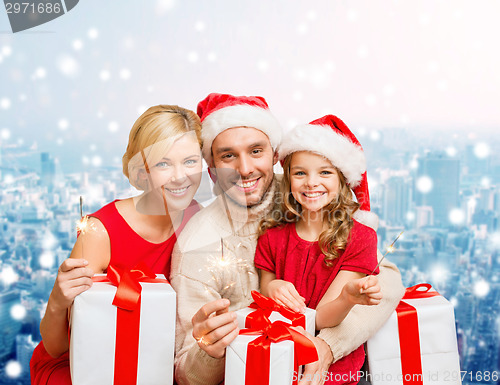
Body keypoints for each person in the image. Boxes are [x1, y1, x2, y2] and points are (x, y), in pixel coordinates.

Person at [170, 93, 406, 385]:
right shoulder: (198, 245)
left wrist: (328, 345)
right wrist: (211, 351)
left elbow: (387, 278)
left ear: (274, 154)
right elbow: (186, 373)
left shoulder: (308, 192)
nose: (245, 169)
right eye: (228, 155)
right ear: (212, 168)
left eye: (256, 151)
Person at [30, 104, 203, 385]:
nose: (180, 176)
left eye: (190, 161)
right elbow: (56, 347)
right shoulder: (100, 232)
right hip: (85, 362)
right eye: (163, 163)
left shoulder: (198, 219)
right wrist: (57, 301)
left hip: (151, 359)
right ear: (142, 170)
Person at [256, 115, 382, 385]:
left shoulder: (361, 239)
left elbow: (323, 319)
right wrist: (273, 286)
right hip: (277, 364)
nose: (311, 182)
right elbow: (263, 293)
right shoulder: (271, 237)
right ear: (288, 179)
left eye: (325, 172)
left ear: (342, 180)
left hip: (333, 373)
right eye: (300, 173)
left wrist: (347, 299)